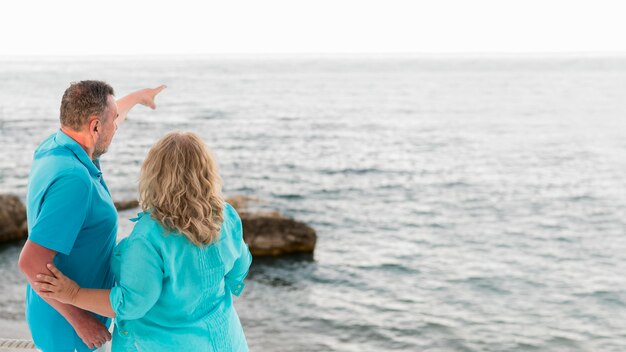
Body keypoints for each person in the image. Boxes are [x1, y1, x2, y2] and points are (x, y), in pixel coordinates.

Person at [34, 132, 253, 352]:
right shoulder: (226, 216)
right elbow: (238, 269)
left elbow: (132, 304)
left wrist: (73, 294)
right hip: (226, 341)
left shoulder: (149, 237)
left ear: (156, 175)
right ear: (206, 173)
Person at [18, 80, 166, 351]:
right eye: (113, 121)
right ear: (95, 126)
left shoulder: (58, 145)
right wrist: (81, 321)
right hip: (70, 331)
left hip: (51, 313)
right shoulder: (74, 180)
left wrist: (137, 97)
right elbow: (30, 262)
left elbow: (108, 115)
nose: (117, 125)